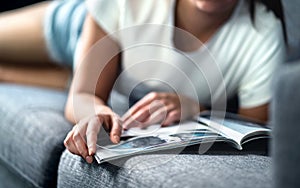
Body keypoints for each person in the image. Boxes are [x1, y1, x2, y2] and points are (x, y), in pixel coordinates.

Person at [0, 0, 286, 164]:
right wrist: (97, 113)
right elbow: (85, 93)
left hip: (110, 77)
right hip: (76, 26)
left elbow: (252, 135)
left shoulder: (262, 35)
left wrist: (195, 108)